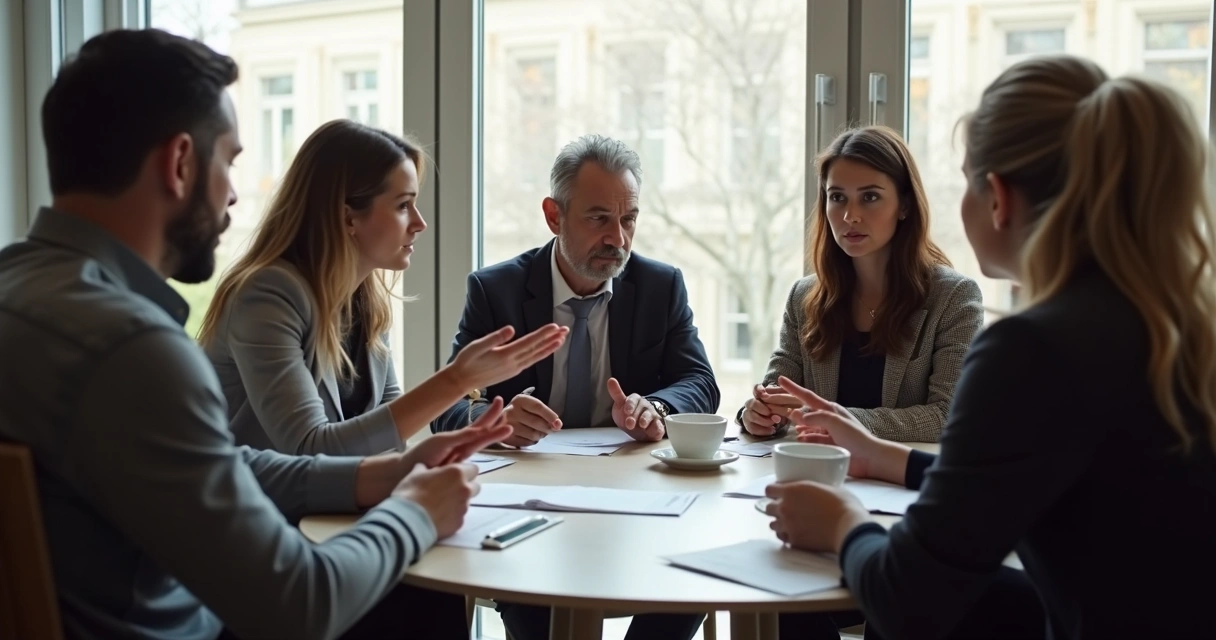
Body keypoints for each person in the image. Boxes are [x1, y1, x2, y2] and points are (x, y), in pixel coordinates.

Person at [0, 28, 509, 640]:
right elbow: (300, 605)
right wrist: (415, 513)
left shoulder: (23, 294)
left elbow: (217, 462)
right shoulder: (131, 349)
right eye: (230, 161)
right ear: (181, 162)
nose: (236, 194)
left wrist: (373, 477)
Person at [764, 55, 1216, 640]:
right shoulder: (1172, 320)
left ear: (997, 196)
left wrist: (844, 521)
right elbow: (1011, 478)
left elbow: (909, 599)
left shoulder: (1034, 348)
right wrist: (885, 456)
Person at [432, 134, 717, 640]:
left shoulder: (660, 286)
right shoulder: (496, 291)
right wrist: (491, 422)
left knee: (693, 567)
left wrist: (655, 406)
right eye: (599, 218)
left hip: (639, 498)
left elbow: (699, 382)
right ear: (553, 215)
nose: (618, 238)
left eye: (628, 219)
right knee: (529, 592)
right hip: (529, 501)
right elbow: (447, 405)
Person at [198, 119, 567, 456]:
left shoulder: (365, 299)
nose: (420, 223)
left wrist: (480, 431)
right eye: (404, 205)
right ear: (348, 218)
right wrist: (458, 379)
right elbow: (311, 447)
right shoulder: (267, 295)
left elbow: (390, 441)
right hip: (256, 520)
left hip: (329, 515)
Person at [739, 126, 983, 446]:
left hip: (898, 485)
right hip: (818, 473)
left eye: (870, 197)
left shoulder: (954, 297)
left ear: (905, 205)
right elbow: (777, 393)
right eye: (837, 197)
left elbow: (947, 415)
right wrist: (758, 414)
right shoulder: (804, 297)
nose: (850, 216)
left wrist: (837, 419)